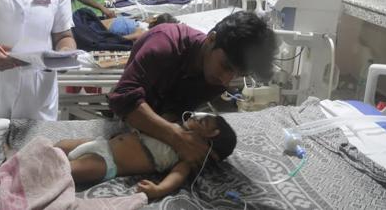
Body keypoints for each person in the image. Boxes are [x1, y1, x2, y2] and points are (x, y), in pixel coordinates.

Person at [108, 12, 277, 168]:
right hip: (132, 108)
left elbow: (180, 107)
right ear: (211, 39)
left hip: (156, 115)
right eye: (225, 66)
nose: (226, 80)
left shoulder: (216, 78)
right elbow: (122, 98)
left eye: (237, 74)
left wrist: (183, 137)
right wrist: (175, 136)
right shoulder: (165, 44)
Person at [54, 113, 236, 200]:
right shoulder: (172, 127)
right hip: (102, 142)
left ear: (208, 141)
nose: (195, 116)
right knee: (60, 145)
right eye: (200, 115)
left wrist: (159, 190)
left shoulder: (186, 156)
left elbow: (177, 176)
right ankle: (32, 160)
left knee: (66, 171)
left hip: (109, 162)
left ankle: (33, 176)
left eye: (202, 121)